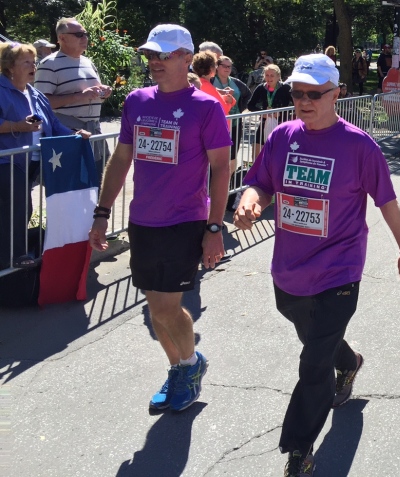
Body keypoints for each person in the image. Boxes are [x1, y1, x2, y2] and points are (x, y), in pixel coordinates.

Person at [233, 53, 400, 476]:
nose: (304, 100)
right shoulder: (282, 137)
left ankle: (299, 450)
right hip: (290, 273)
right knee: (316, 337)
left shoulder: (359, 146)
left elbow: (387, 204)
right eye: (298, 92)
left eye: (315, 94)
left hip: (339, 270)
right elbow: (260, 184)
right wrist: (249, 202)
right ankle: (350, 361)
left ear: (337, 93)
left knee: (312, 363)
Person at [88, 24, 232, 412]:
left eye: (163, 55)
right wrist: (102, 214)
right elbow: (121, 159)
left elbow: (221, 168)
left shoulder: (206, 106)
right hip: (142, 221)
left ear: (187, 58)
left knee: (168, 307)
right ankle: (180, 367)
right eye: (150, 55)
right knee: (154, 308)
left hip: (184, 221)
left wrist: (215, 227)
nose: (154, 62)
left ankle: (188, 364)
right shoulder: (137, 100)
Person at [0, 42, 89, 270]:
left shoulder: (35, 94)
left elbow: (54, 124)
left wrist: (75, 134)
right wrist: (18, 126)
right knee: (18, 207)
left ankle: (16, 253)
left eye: (34, 61)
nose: (34, 66)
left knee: (23, 207)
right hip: (7, 161)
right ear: (10, 67)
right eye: (27, 62)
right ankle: (13, 257)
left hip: (34, 160)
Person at [34, 17, 112, 180]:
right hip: (68, 134)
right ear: (62, 38)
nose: (85, 38)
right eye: (79, 34)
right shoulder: (49, 64)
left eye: (85, 34)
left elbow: (90, 95)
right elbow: (40, 103)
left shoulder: (87, 62)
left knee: (97, 186)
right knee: (71, 190)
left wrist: (102, 93)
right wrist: (79, 96)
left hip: (93, 132)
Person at [212, 55, 251, 192]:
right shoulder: (210, 82)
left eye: (230, 66)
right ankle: (213, 185)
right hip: (215, 124)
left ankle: (228, 186)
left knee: (233, 154)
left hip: (234, 123)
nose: (228, 69)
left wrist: (239, 109)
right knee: (214, 155)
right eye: (225, 66)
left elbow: (248, 95)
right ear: (217, 66)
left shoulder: (236, 83)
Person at [247, 63, 292, 160]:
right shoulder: (261, 88)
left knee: (278, 153)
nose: (269, 78)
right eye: (267, 75)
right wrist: (262, 112)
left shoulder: (286, 88)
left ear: (278, 76)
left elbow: (295, 105)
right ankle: (257, 172)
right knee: (257, 153)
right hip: (265, 122)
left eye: (272, 75)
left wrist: (281, 113)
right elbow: (250, 105)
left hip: (281, 124)